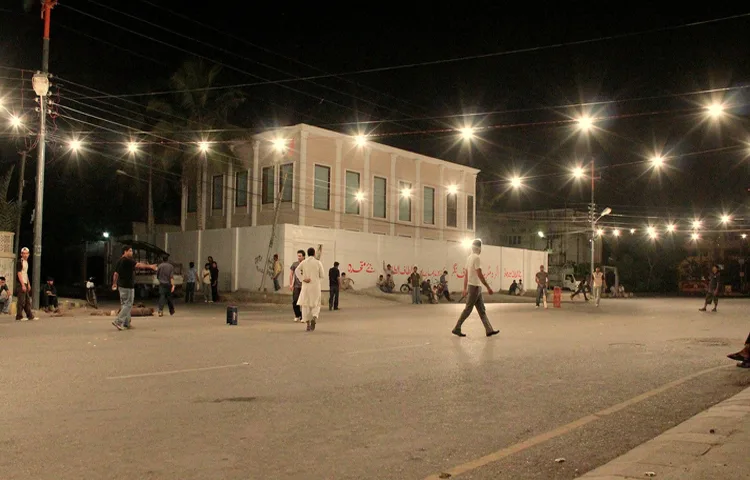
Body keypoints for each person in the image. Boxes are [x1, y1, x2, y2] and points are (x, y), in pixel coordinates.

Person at [451, 239, 499, 338]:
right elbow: (480, 274)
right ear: (479, 248)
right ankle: (457, 328)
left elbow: (466, 275)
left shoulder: (469, 258)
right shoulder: (477, 258)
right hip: (475, 287)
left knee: (482, 310)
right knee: (468, 309)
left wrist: (465, 288)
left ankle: (489, 330)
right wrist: (488, 287)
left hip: (474, 287)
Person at [112, 245, 157, 330]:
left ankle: (127, 323)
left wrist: (114, 283)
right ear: (125, 252)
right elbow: (139, 265)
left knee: (124, 305)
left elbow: (115, 274)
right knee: (128, 305)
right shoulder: (127, 261)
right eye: (130, 251)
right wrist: (150, 266)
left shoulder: (119, 261)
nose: (131, 252)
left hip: (121, 286)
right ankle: (118, 321)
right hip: (128, 286)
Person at [295, 246, 325, 331]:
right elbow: (322, 275)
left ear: (307, 254)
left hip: (306, 286)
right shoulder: (318, 262)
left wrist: (302, 279)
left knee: (305, 305)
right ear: (314, 253)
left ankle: (307, 324)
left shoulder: (304, 262)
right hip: (315, 287)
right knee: (316, 304)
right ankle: (314, 318)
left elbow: (297, 270)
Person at [15, 246, 34, 321]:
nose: (25, 255)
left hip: (25, 282)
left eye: (27, 253)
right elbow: (19, 273)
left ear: (29, 254)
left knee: (27, 301)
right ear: (21, 254)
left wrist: (28, 284)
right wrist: (22, 284)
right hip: (20, 283)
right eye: (24, 253)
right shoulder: (20, 262)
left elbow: (25, 274)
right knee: (21, 301)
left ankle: (30, 316)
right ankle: (19, 316)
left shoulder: (26, 262)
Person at [290, 249, 305, 322]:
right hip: (296, 286)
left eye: (300, 256)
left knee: (304, 302)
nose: (298, 257)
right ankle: (297, 314)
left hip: (304, 286)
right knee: (295, 301)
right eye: (298, 256)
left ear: (303, 256)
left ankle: (303, 316)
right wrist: (291, 284)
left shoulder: (306, 264)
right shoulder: (295, 264)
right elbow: (291, 274)